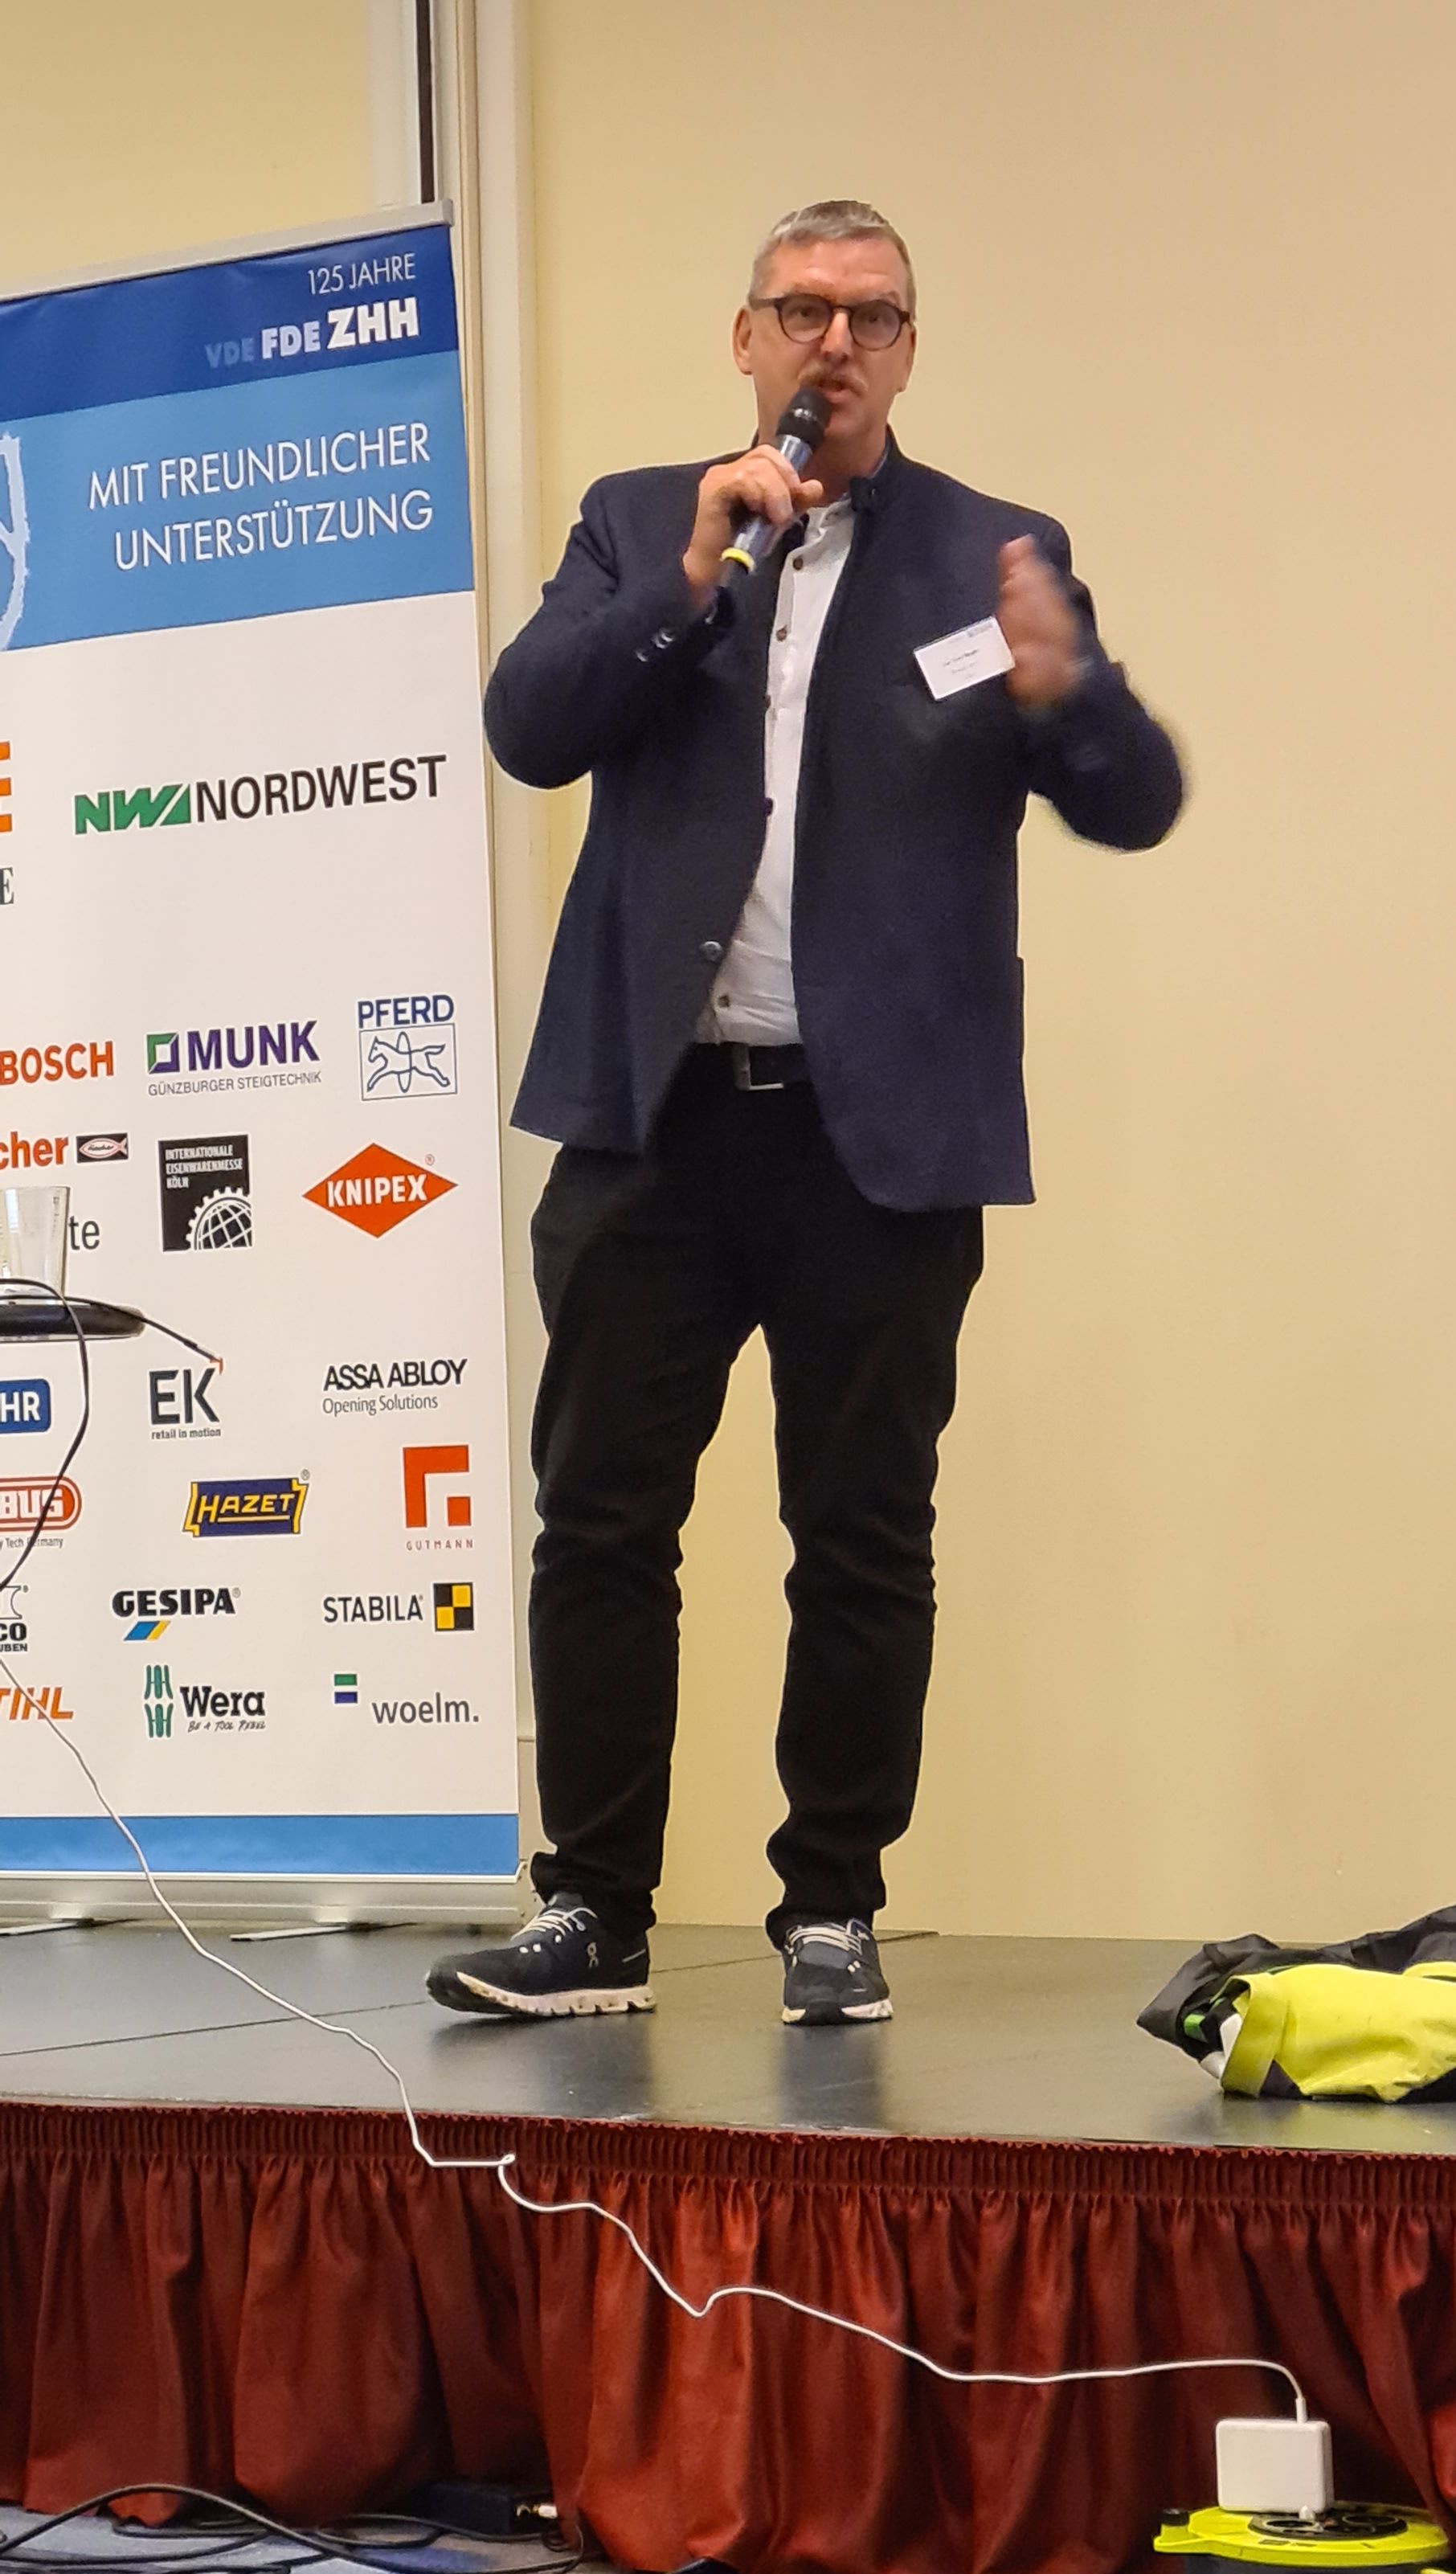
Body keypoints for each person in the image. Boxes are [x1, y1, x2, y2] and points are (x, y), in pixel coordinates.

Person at [428, 199, 1183, 2029]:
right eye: (803, 310)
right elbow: (529, 728)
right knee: (601, 1518)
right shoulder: (641, 521)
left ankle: (831, 1907)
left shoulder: (994, 553)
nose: (835, 343)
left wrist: (1074, 693)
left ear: (908, 352)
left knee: (860, 1534)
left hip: (879, 1139)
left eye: (874, 316)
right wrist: (688, 578)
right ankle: (594, 1909)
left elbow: (1132, 798)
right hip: (652, 1119)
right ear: (745, 337)